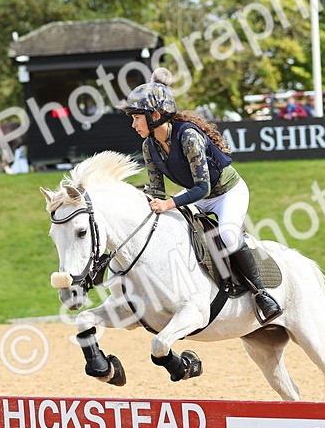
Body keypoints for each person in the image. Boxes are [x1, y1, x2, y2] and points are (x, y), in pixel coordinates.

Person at [118, 68, 282, 324]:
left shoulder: (189, 137)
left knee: (227, 236)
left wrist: (169, 203)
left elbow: (202, 188)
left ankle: (261, 294)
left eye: (137, 118)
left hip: (226, 192)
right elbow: (157, 191)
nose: (133, 124)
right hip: (196, 195)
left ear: (156, 116)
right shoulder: (149, 146)